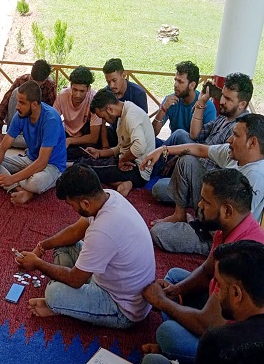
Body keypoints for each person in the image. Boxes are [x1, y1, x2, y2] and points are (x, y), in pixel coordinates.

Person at [141, 169, 264, 363]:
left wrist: (162, 302)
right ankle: (177, 329)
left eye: (206, 202)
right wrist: (177, 291)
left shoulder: (240, 255)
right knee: (174, 277)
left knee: (167, 333)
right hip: (220, 309)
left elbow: (208, 325)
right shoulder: (228, 227)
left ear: (227, 210)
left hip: (232, 337)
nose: (199, 206)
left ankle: (174, 348)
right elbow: (207, 271)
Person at [18, 164, 155, 329]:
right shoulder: (109, 196)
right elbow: (76, 231)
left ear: (85, 203)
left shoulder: (103, 230)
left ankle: (64, 305)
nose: (72, 209)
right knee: (64, 245)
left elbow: (75, 280)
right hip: (111, 278)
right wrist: (42, 246)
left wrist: (37, 263)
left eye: (71, 205)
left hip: (123, 308)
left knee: (53, 294)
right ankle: (73, 302)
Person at [143, 114, 264, 255]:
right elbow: (201, 149)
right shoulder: (234, 153)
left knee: (158, 233)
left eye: (236, 135)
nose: (230, 139)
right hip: (211, 205)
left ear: (252, 143)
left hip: (216, 232)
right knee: (170, 177)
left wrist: (200, 223)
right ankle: (180, 214)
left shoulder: (256, 176)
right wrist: (163, 150)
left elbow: (232, 224)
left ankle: (200, 231)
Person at [149, 73, 254, 223]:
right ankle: (159, 171)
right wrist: (201, 102)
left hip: (209, 186)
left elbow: (204, 152)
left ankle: (184, 211)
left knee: (185, 162)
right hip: (197, 169)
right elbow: (195, 134)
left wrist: (180, 158)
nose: (222, 101)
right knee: (159, 186)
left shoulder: (240, 130)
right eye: (222, 96)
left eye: (228, 99)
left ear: (242, 104)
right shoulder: (224, 117)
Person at [141, 240, 264, 364]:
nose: (217, 293)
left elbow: (206, 325)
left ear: (236, 293)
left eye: (219, 285)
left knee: (152, 360)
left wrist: (162, 302)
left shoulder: (218, 342)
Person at [0, 80, 67, 204]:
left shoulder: (51, 119)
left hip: (52, 166)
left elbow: (42, 162)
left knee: (35, 183)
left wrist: (11, 178)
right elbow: (3, 147)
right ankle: (21, 190)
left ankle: (24, 188)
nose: (17, 106)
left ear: (34, 104)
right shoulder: (20, 115)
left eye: (22, 103)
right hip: (30, 159)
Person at [81, 89, 155, 196]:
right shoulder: (123, 113)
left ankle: (64, 167)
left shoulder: (131, 116)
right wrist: (99, 153)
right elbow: (121, 147)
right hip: (131, 165)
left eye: (103, 117)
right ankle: (128, 183)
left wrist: (123, 159)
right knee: (97, 167)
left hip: (137, 169)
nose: (104, 121)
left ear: (110, 109)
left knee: (86, 167)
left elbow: (139, 147)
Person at [0, 59, 58, 147]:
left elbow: (51, 112)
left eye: (37, 84)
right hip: (18, 123)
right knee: (16, 92)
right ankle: (13, 137)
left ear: (44, 80)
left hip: (35, 128)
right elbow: (4, 105)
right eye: (32, 80)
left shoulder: (49, 87)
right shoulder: (21, 81)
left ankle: (12, 140)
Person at [151, 61, 216, 143]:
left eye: (180, 82)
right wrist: (163, 109)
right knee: (146, 140)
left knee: (180, 134)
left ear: (192, 85)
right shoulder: (170, 101)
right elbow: (152, 133)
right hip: (171, 149)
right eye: (175, 80)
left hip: (192, 152)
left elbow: (208, 142)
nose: (175, 85)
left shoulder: (208, 106)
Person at [53, 65, 101, 161]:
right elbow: (51, 121)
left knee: (90, 149)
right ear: (71, 86)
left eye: (82, 91)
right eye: (75, 90)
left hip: (84, 136)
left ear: (88, 89)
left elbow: (94, 137)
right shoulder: (63, 96)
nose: (77, 95)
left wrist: (70, 141)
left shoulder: (94, 99)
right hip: (66, 132)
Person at [101, 58, 148, 148]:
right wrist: (105, 146)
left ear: (123, 75)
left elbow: (143, 123)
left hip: (133, 138)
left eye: (114, 80)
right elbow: (102, 122)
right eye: (108, 82)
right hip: (115, 134)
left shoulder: (138, 93)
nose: (111, 85)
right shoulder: (107, 93)